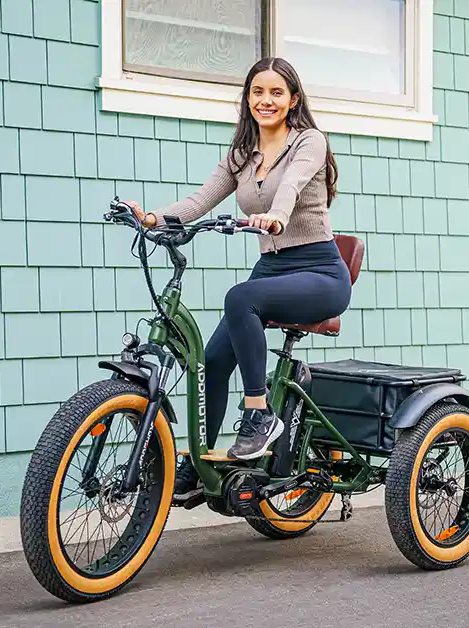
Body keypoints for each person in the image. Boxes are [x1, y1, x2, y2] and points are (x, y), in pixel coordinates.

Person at [123, 57, 352, 503]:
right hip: (272, 271)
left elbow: (291, 188)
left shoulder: (310, 142)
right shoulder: (241, 156)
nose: (265, 101)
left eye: (276, 93)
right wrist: (154, 218)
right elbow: (202, 199)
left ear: (293, 100)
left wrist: (276, 218)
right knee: (211, 362)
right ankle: (199, 462)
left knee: (239, 297)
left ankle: (259, 412)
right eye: (257, 93)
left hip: (320, 271)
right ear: (247, 100)